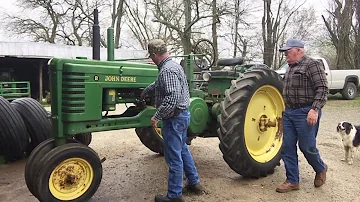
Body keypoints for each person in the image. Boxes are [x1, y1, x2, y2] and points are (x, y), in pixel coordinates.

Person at [141, 39, 205, 202]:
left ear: (155, 55)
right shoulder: (174, 66)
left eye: (151, 56)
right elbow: (162, 84)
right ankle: (194, 182)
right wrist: (148, 90)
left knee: (173, 156)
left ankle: (174, 196)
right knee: (182, 149)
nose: (151, 59)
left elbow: (172, 98)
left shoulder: (167, 70)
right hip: (183, 116)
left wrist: (157, 116)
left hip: (174, 119)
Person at [276, 39, 329, 193]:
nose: (285, 55)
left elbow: (322, 88)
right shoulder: (290, 68)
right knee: (287, 147)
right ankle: (292, 180)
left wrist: (314, 109)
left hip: (305, 112)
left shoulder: (312, 64)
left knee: (306, 146)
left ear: (298, 50)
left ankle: (320, 167)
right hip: (289, 112)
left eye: (288, 51)